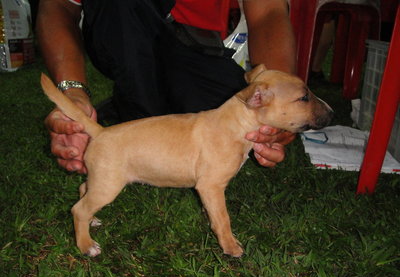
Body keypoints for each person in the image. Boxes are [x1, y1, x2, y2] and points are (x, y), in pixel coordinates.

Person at [36, 0, 297, 174]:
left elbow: (267, 13)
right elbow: (59, 5)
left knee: (234, 127)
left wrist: (278, 102)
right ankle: (134, 109)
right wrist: (73, 94)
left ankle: (130, 112)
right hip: (125, 31)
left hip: (198, 52)